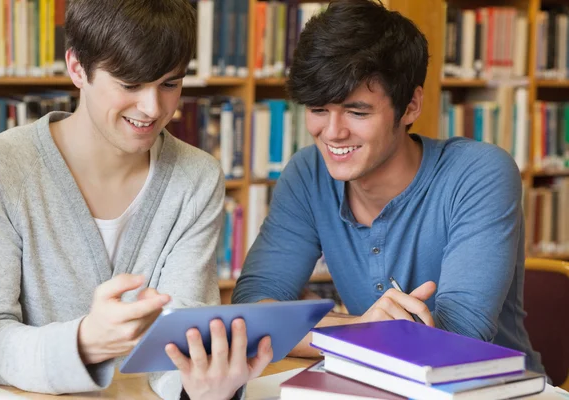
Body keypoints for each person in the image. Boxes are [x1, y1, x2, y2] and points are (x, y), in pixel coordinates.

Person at [0, 0, 271, 398]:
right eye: (130, 84)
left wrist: (202, 388)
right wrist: (84, 342)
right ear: (77, 68)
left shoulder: (196, 177)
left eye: (170, 83)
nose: (153, 109)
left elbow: (181, 335)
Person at [232, 0, 545, 374]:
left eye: (357, 111)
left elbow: (459, 336)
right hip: (373, 384)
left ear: (410, 106)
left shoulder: (478, 173)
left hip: (491, 390)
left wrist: (308, 328)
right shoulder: (307, 174)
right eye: (318, 109)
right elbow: (250, 312)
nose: (332, 133)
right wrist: (362, 328)